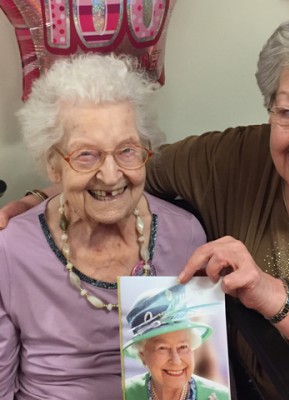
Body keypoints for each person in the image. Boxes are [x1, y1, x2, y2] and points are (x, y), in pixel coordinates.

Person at [2, 7, 289, 400]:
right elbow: (123, 174)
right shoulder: (225, 159)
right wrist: (41, 197)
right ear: (270, 108)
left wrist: (271, 293)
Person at [0, 53, 207, 399]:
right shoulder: (11, 251)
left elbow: (194, 364)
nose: (111, 176)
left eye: (127, 151)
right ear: (54, 166)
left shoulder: (184, 236)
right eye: (86, 155)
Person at [122, 283, 230, 399]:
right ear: (142, 355)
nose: (176, 361)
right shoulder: (124, 394)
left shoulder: (222, 396)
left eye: (183, 347)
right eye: (162, 348)